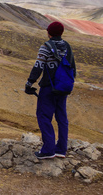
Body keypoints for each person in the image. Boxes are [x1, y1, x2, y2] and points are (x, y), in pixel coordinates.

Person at [25, 21, 76, 160]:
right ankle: (61, 149)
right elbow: (73, 67)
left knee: (43, 116)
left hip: (48, 87)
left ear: (49, 33)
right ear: (61, 33)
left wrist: (29, 83)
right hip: (63, 88)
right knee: (62, 118)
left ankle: (48, 150)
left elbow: (38, 67)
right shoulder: (67, 47)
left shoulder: (45, 47)